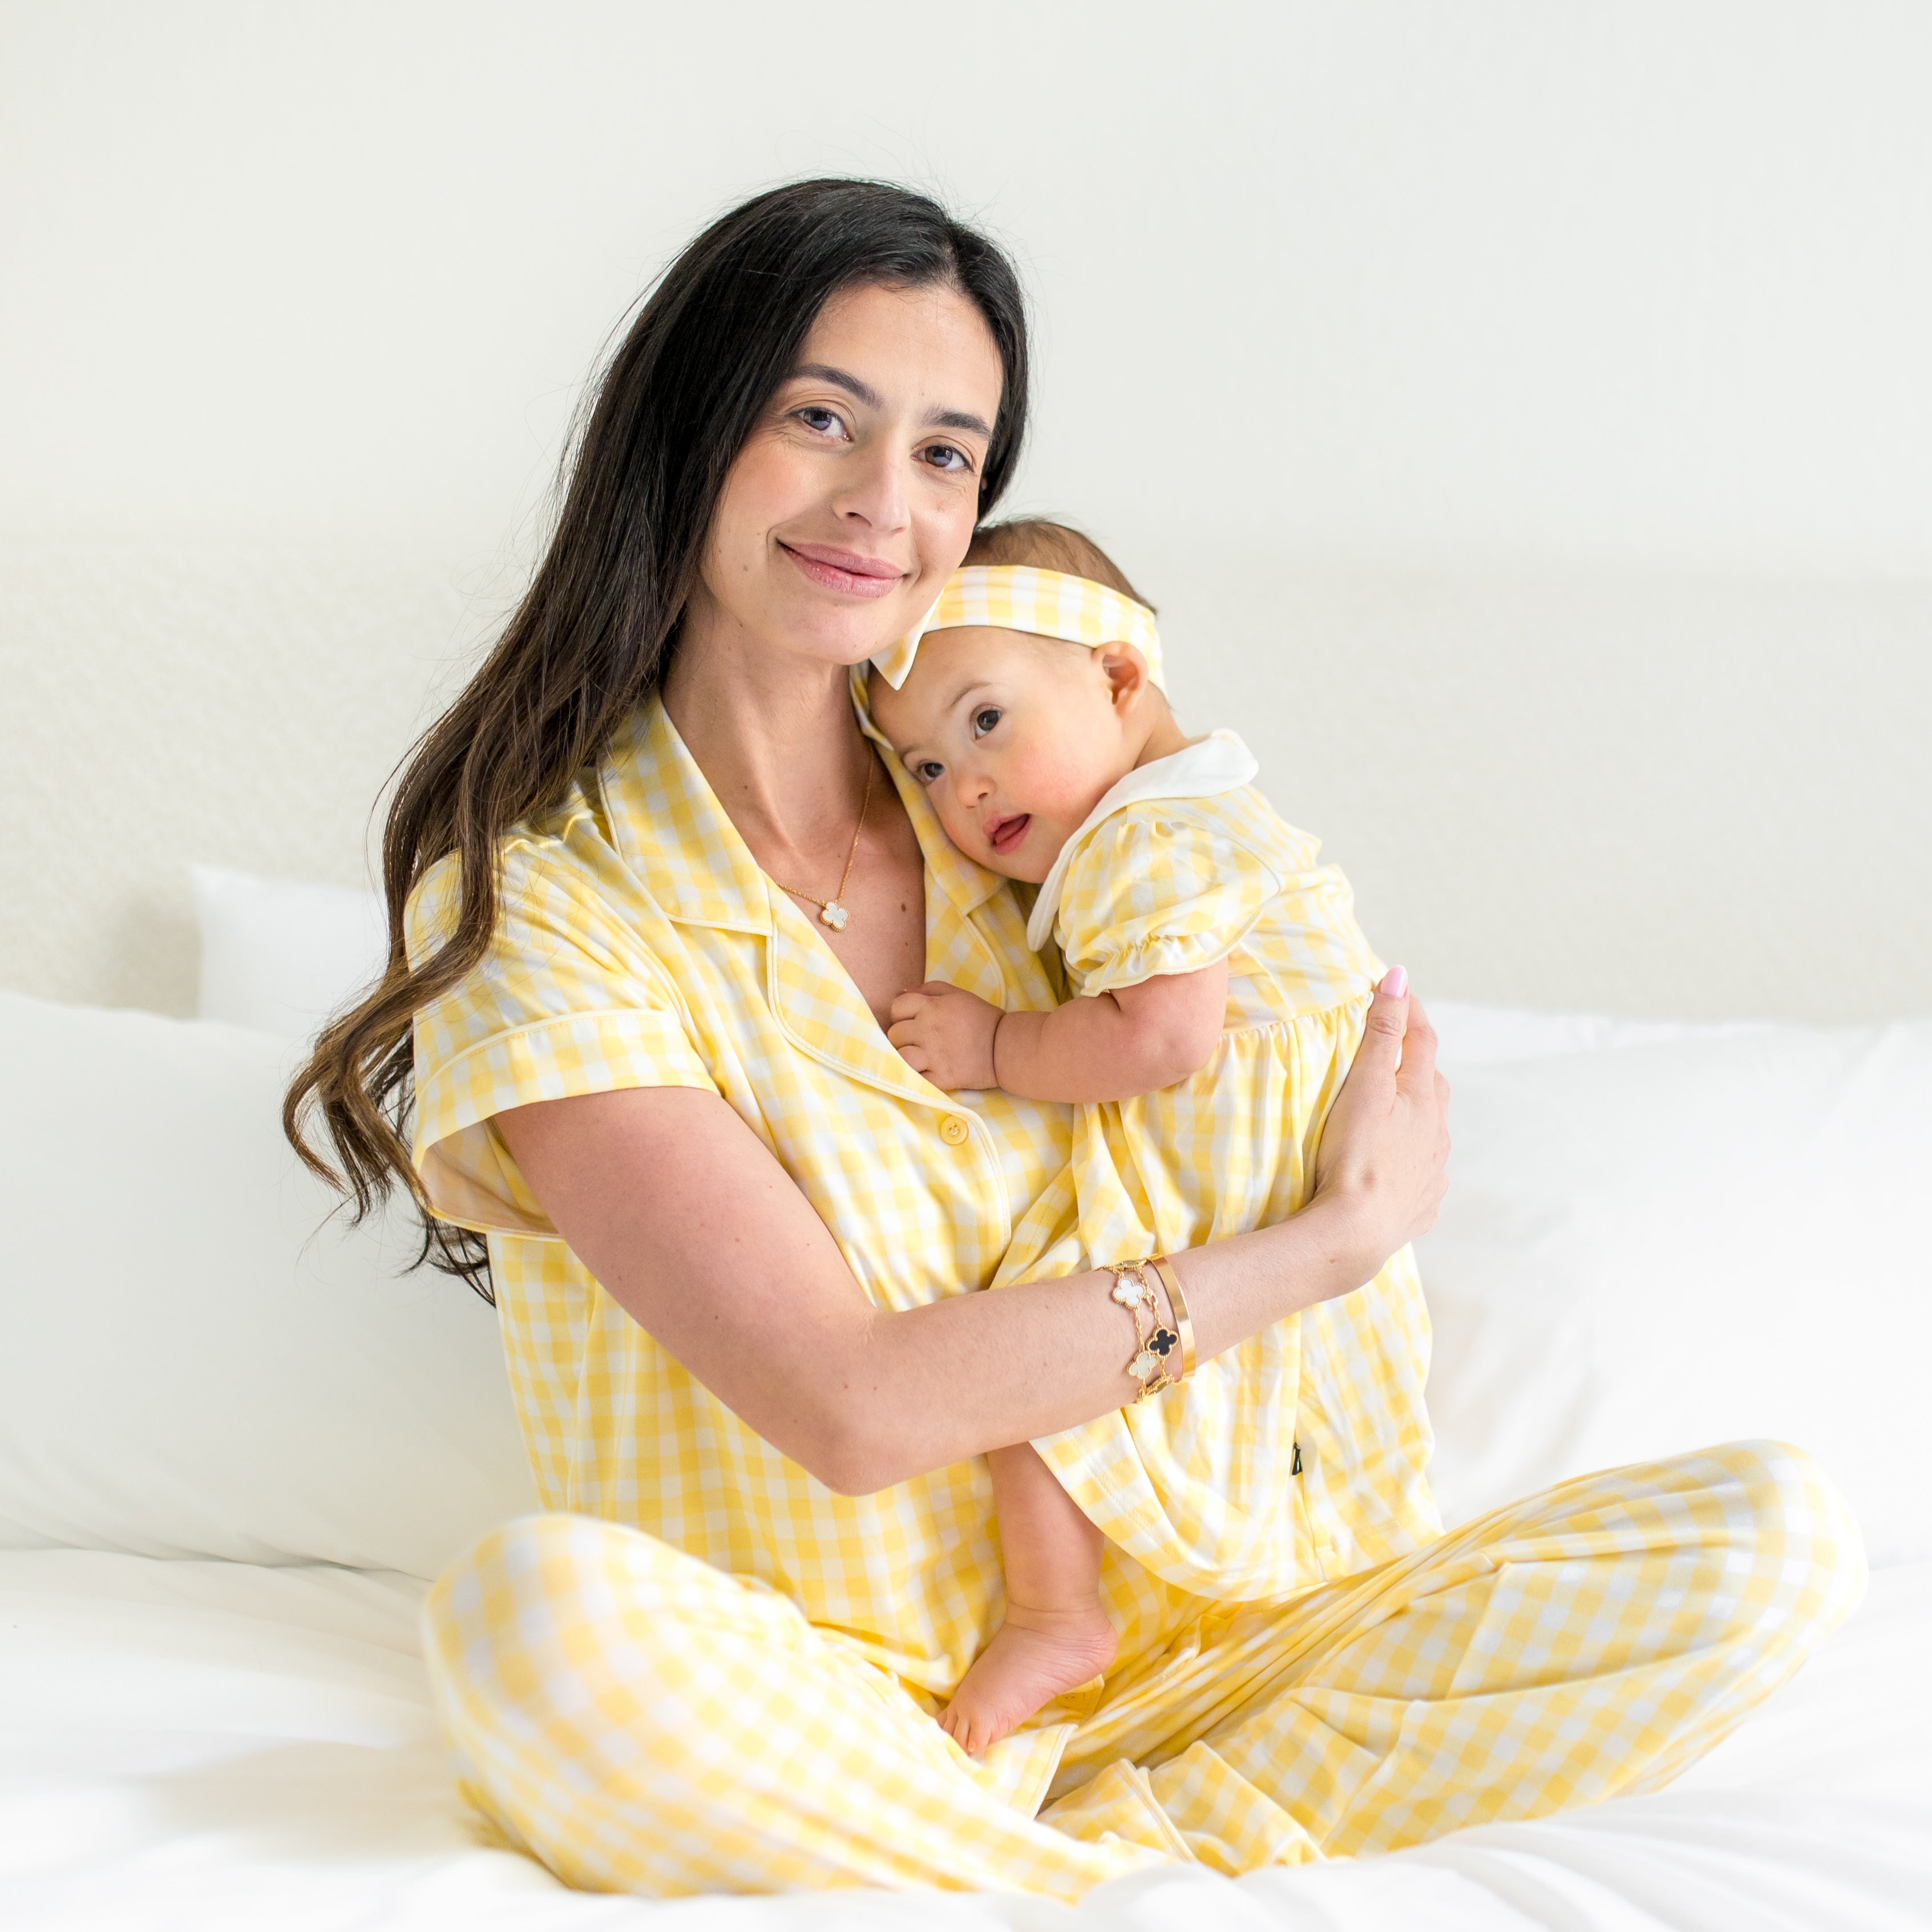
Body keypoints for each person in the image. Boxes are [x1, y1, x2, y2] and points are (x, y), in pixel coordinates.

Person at [286, 178, 1862, 1902]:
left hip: (1224, 1655)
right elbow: (851, 1407)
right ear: (690, 428)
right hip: (846, 1710)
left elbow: (1255, 996)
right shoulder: (541, 898)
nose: (883, 504)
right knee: (536, 1626)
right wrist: (1330, 1245)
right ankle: (1089, 1875)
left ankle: (1066, 1868)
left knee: (1774, 1540)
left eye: (946, 454)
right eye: (820, 419)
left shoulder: (1019, 797)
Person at [870, 518, 1414, 1754]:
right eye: (924, 767)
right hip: (1291, 1169)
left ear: (1118, 676)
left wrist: (997, 1044)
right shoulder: (1200, 808)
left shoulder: (1140, 839)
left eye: (985, 721)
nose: (963, 787)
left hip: (1237, 1170)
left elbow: (1163, 1036)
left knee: (1037, 1341)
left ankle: (1057, 1613)